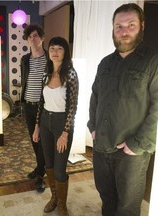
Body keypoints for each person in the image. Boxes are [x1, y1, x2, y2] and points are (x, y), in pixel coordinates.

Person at [87, 3, 158, 216]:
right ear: (113, 29)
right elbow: (95, 97)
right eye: (119, 26)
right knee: (106, 198)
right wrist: (93, 128)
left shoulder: (153, 61)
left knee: (127, 207)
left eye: (130, 25)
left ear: (142, 26)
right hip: (102, 147)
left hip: (132, 153)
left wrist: (137, 144)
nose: (124, 31)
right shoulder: (105, 63)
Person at [33, 37, 79, 215]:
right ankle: (54, 197)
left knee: (60, 169)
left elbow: (73, 106)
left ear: (65, 52)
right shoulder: (45, 74)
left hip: (62, 124)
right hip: (45, 122)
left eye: (59, 48)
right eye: (52, 48)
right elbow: (40, 102)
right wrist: (37, 126)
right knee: (49, 164)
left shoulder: (71, 75)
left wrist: (66, 133)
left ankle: (62, 204)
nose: (55, 51)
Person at [20, 24, 47, 193]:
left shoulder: (49, 58)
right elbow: (25, 80)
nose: (33, 39)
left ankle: (41, 175)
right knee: (34, 140)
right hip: (28, 105)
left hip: (43, 107)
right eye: (30, 37)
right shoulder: (25, 59)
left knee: (42, 141)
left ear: (42, 37)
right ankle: (40, 167)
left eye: (36, 35)